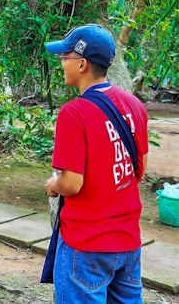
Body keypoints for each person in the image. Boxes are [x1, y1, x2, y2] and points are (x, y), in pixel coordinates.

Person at [44, 24, 149, 303]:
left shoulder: (74, 113)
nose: (61, 63)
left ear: (81, 63)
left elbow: (71, 183)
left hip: (86, 244)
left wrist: (53, 185)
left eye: (64, 57)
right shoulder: (134, 105)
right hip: (127, 242)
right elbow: (139, 169)